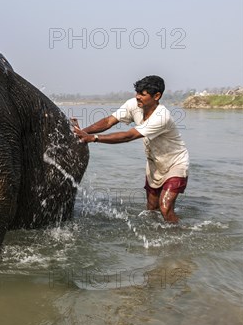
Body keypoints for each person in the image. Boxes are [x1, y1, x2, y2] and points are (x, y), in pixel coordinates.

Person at [73, 75, 189, 223]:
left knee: (165, 207)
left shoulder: (162, 116)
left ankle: (179, 236)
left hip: (176, 163)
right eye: (137, 92)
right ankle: (157, 237)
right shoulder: (133, 105)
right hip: (154, 163)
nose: (138, 97)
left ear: (157, 96)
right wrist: (83, 132)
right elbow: (109, 121)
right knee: (151, 208)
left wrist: (94, 138)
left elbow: (129, 136)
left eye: (142, 94)